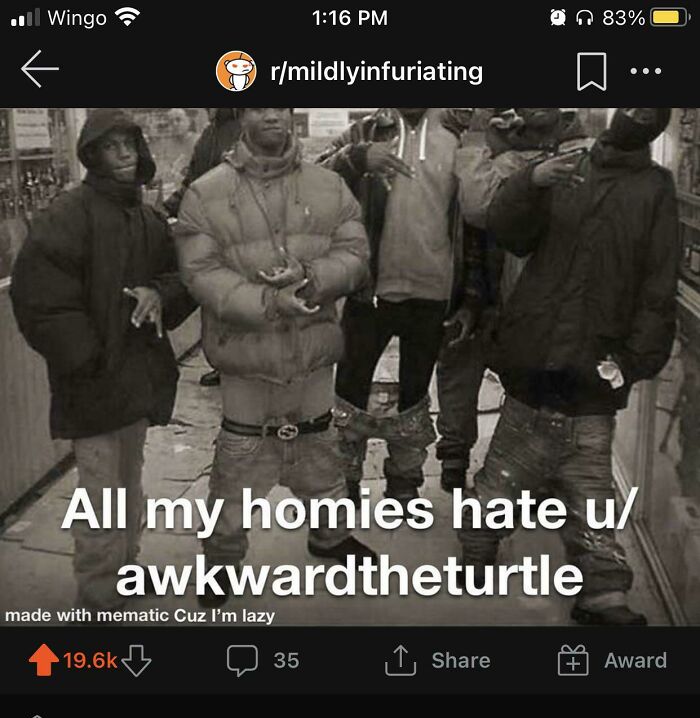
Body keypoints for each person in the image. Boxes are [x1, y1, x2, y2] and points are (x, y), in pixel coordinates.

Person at [459, 108, 679, 626]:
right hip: (535, 350)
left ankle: (603, 591)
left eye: (649, 111)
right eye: (632, 106)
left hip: (596, 364)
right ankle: (478, 546)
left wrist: (634, 359)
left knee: (590, 482)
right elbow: (509, 232)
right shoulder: (566, 166)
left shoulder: (655, 187)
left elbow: (658, 283)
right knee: (504, 473)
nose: (636, 116)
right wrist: (531, 182)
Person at [175, 106, 375, 601]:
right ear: (242, 116)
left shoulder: (329, 186)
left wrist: (312, 276)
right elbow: (201, 274)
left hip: (313, 352)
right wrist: (268, 302)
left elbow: (355, 254)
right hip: (246, 358)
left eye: (280, 108)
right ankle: (222, 560)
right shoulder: (206, 192)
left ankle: (330, 536)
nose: (273, 118)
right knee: (238, 463)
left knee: (320, 449)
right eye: (261, 108)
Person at [11, 109, 193, 612]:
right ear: (92, 154)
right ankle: (97, 592)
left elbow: (179, 277)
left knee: (129, 483)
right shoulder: (68, 215)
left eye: (129, 143)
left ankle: (125, 568)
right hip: (92, 385)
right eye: (112, 146)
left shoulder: (148, 217)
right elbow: (39, 298)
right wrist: (88, 358)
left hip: (136, 380)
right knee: (100, 492)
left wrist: (159, 294)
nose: (125, 154)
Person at [319, 107, 481, 503]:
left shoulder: (458, 134)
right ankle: (344, 483)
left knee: (415, 397)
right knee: (348, 393)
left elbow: (475, 224)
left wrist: (471, 297)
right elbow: (311, 181)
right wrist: (356, 158)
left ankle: (404, 484)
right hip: (369, 292)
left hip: (434, 295)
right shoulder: (364, 132)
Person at [436, 108, 589, 491]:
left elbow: (478, 206)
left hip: (530, 282)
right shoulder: (494, 139)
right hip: (481, 273)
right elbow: (474, 211)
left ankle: (526, 468)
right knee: (461, 359)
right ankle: (455, 454)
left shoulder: (570, 148)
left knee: (529, 378)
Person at [163, 108, 243, 386]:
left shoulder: (244, 127)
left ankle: (240, 366)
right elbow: (193, 184)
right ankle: (225, 364)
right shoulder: (210, 134)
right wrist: (165, 209)